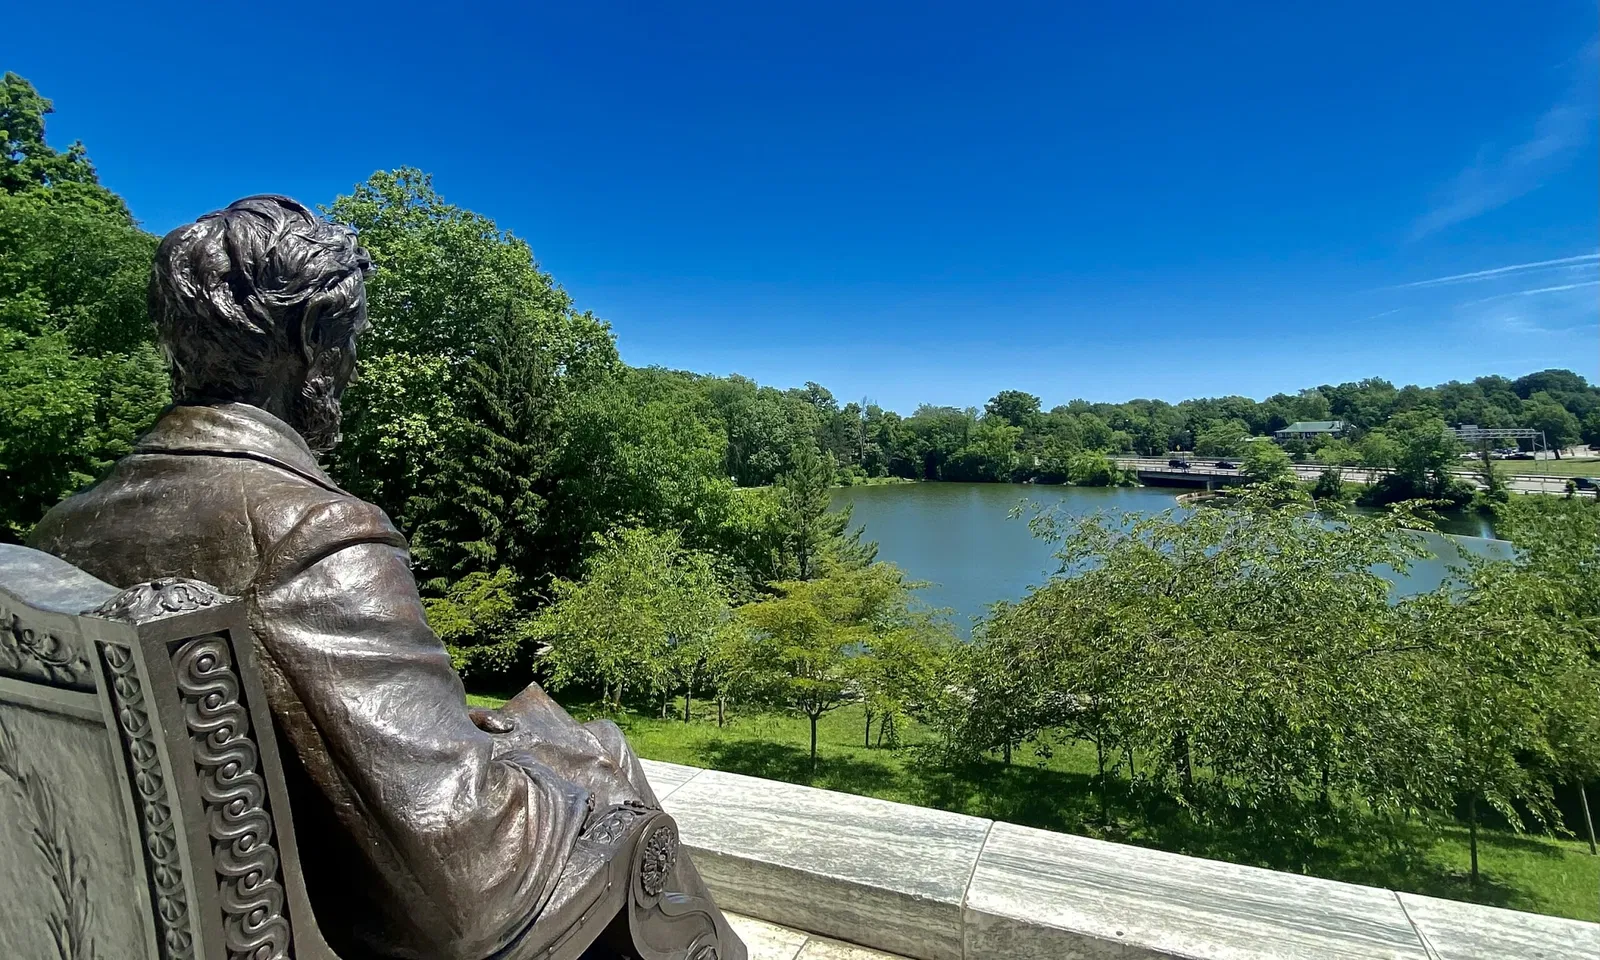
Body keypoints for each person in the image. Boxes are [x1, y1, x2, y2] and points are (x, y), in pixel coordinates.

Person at [29, 196, 737, 960]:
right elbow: (469, 881)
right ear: (312, 347)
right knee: (603, 752)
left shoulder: (60, 533)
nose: (354, 367)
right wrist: (569, 756)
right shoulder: (311, 533)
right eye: (350, 341)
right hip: (352, 923)